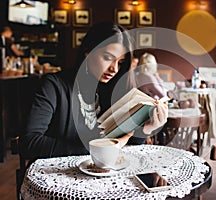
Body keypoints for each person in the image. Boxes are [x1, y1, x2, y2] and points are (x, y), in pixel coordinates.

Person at [19, 22, 168, 161]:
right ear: (88, 52)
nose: (114, 69)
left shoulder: (112, 89)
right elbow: (29, 142)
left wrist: (147, 129)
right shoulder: (53, 86)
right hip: (57, 178)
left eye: (120, 63)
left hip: (100, 175)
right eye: (108, 58)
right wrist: (98, 148)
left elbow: (128, 139)